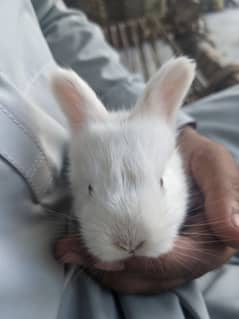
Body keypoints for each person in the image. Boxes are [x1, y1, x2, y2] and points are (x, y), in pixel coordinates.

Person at [0, 1, 238, 318]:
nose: (131, 241)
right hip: (61, 289)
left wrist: (170, 125)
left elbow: (44, 12)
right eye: (91, 190)